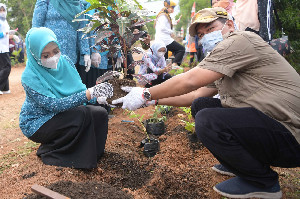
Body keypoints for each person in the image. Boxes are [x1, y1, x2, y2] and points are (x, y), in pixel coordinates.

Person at [112, 7, 300, 198]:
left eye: (210, 29)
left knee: (209, 120)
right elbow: (195, 95)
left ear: (229, 24)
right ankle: (242, 164)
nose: (205, 37)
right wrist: (155, 101)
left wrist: (145, 93)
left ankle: (263, 182)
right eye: (201, 34)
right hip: (274, 128)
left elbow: (189, 81)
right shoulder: (223, 57)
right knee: (201, 105)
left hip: (292, 135)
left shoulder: (240, 41)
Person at [19, 27, 113, 169]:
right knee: (81, 113)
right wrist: (90, 93)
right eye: (45, 55)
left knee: (99, 113)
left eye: (56, 51)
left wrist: (98, 99)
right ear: (34, 55)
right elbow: (54, 105)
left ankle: (94, 154)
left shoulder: (65, 62)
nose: (53, 58)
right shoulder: (29, 76)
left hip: (62, 116)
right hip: (38, 122)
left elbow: (79, 89)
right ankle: (53, 153)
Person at [32, 0, 99, 80]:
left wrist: (86, 53)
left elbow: (82, 30)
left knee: (69, 84)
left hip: (71, 56)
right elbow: (36, 28)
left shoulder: (78, 5)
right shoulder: (46, 1)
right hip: (50, 54)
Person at [155, 0, 185, 67]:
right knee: (181, 49)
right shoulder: (163, 16)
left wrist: (175, 23)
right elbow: (162, 28)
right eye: (172, 8)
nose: (173, 9)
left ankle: (164, 74)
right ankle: (174, 64)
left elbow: (166, 25)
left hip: (162, 40)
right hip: (164, 39)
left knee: (164, 59)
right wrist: (171, 32)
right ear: (167, 7)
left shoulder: (164, 15)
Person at [0, 3, 11, 95]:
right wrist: (6, 33)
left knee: (2, 67)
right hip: (1, 48)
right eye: (0, 10)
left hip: (5, 46)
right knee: (7, 67)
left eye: (3, 10)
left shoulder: (4, 21)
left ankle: (5, 88)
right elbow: (2, 34)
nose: (2, 12)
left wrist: (12, 35)